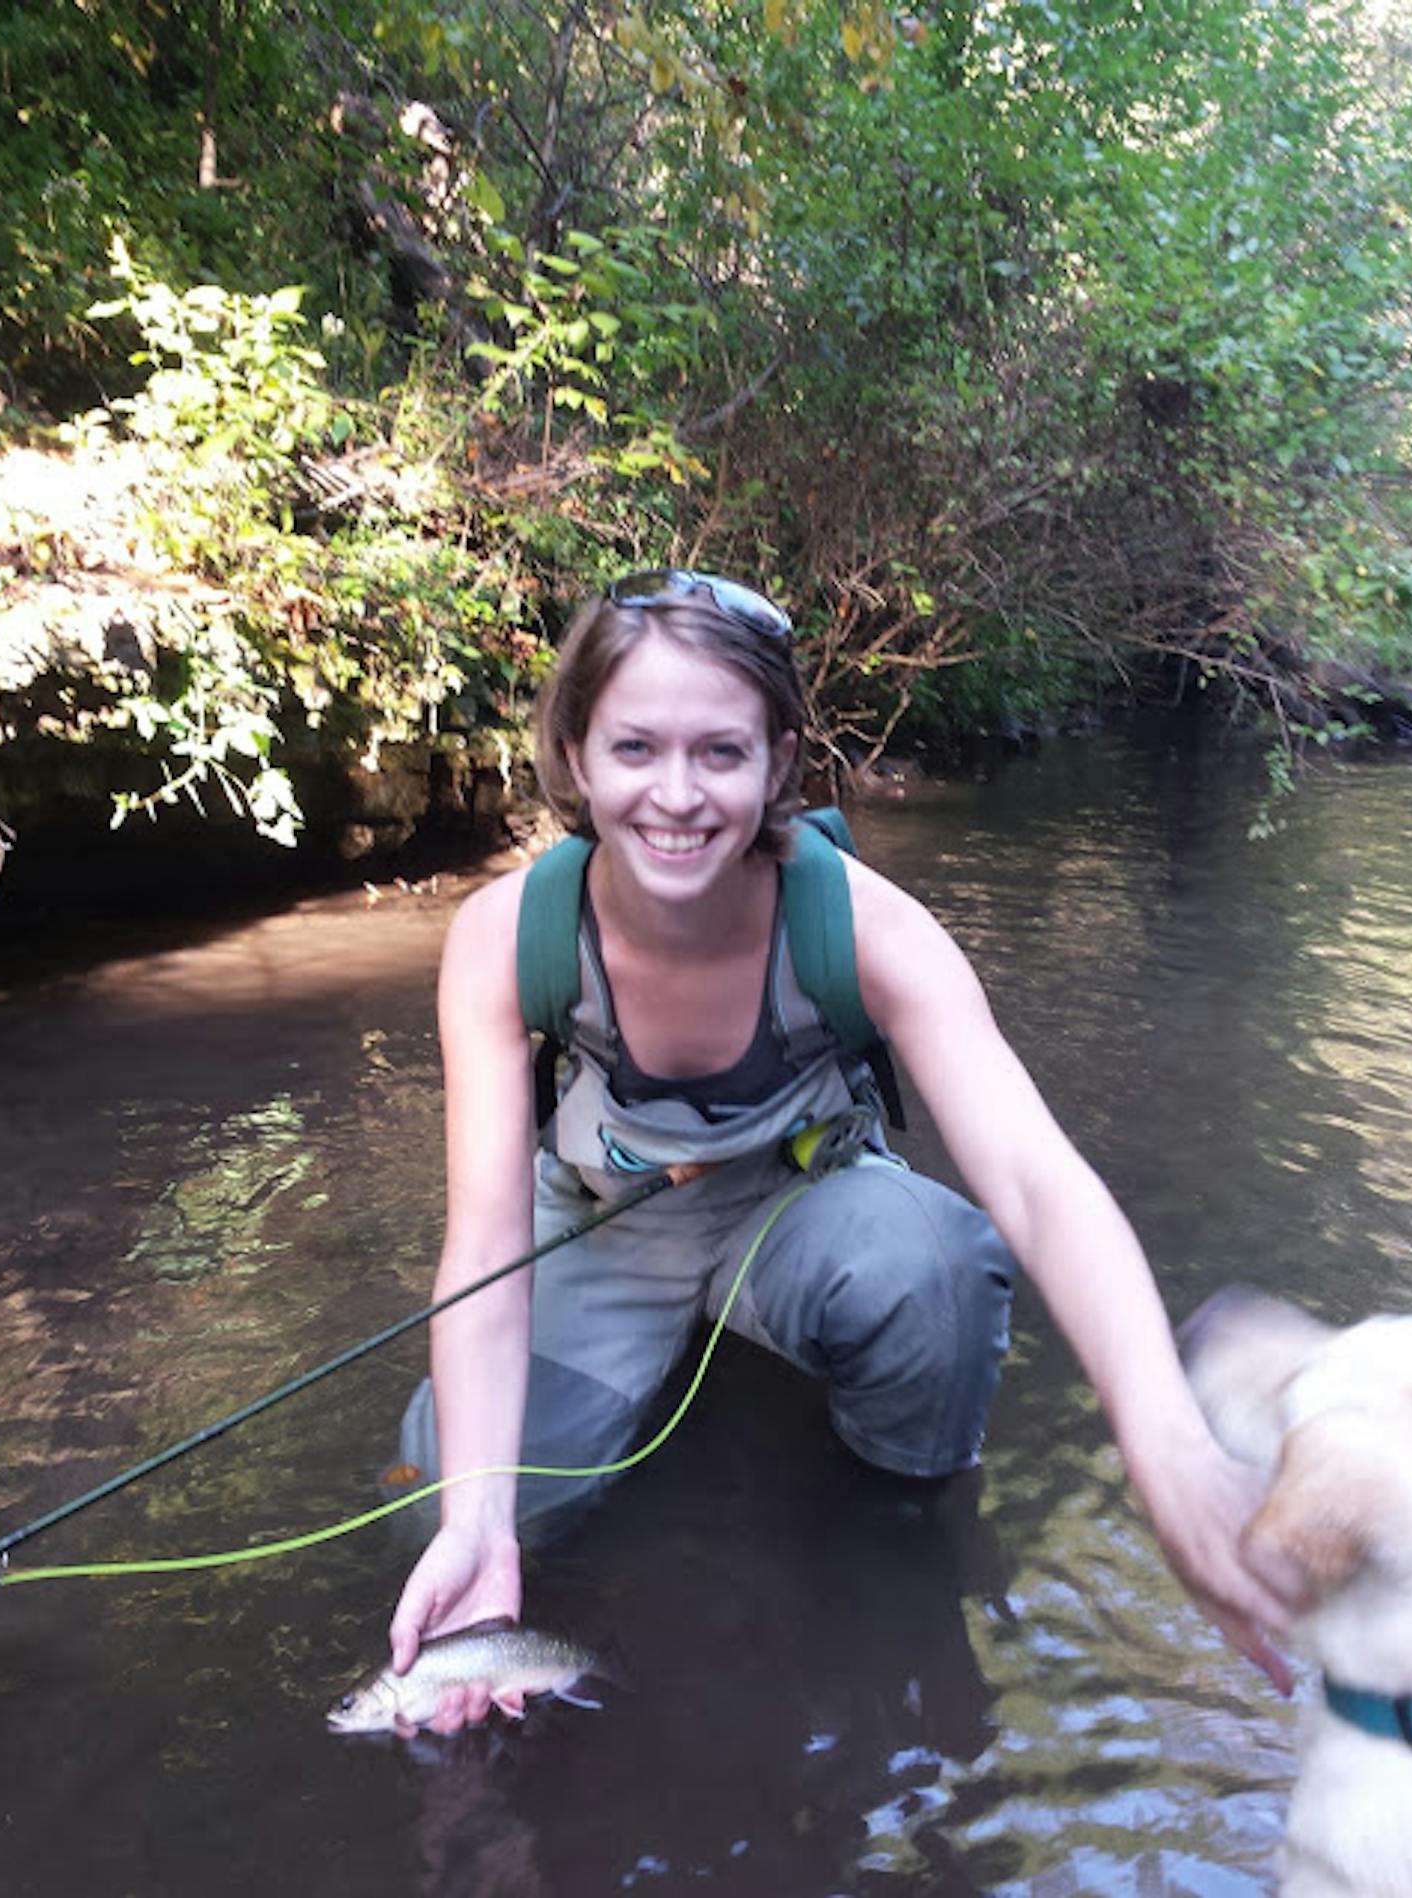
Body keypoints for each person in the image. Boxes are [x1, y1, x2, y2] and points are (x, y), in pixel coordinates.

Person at [388, 569, 1303, 1730]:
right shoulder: (498, 939)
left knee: (936, 1265)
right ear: (573, 756)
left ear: (778, 764)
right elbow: (483, 1241)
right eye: (634, 748)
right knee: (448, 1489)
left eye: (720, 752)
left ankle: (905, 1525)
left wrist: (1164, 1443)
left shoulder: (867, 928)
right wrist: (476, 1521)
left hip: (796, 1205)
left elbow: (1033, 1178)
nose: (676, 794)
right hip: (601, 1216)